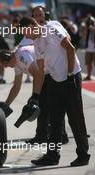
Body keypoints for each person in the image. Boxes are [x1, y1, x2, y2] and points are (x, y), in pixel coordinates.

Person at [21, 16, 90, 166]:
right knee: (55, 120)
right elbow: (40, 71)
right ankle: (52, 156)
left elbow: (70, 49)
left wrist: (70, 74)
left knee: (75, 118)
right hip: (55, 80)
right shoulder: (36, 42)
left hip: (71, 78)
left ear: (33, 25)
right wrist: (35, 95)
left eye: (26, 32)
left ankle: (83, 155)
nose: (26, 36)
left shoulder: (51, 28)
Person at [27, 6, 69, 145]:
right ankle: (41, 135)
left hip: (57, 74)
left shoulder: (52, 26)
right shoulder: (33, 34)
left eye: (40, 14)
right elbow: (40, 63)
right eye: (36, 15)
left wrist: (69, 71)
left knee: (57, 107)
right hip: (45, 75)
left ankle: (62, 135)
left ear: (44, 14)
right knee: (43, 107)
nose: (39, 16)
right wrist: (35, 92)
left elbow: (68, 43)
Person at [0, 37, 43, 117]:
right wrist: (6, 105)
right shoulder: (16, 65)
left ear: (8, 57)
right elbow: (16, 87)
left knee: (45, 112)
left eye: (5, 64)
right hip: (45, 77)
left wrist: (34, 98)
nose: (6, 67)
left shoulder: (21, 55)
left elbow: (37, 74)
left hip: (52, 76)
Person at [83, 15, 95, 81]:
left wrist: (93, 29)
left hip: (94, 48)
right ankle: (88, 76)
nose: (90, 23)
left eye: (91, 22)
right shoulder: (87, 28)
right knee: (88, 63)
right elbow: (83, 35)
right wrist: (86, 29)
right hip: (88, 48)